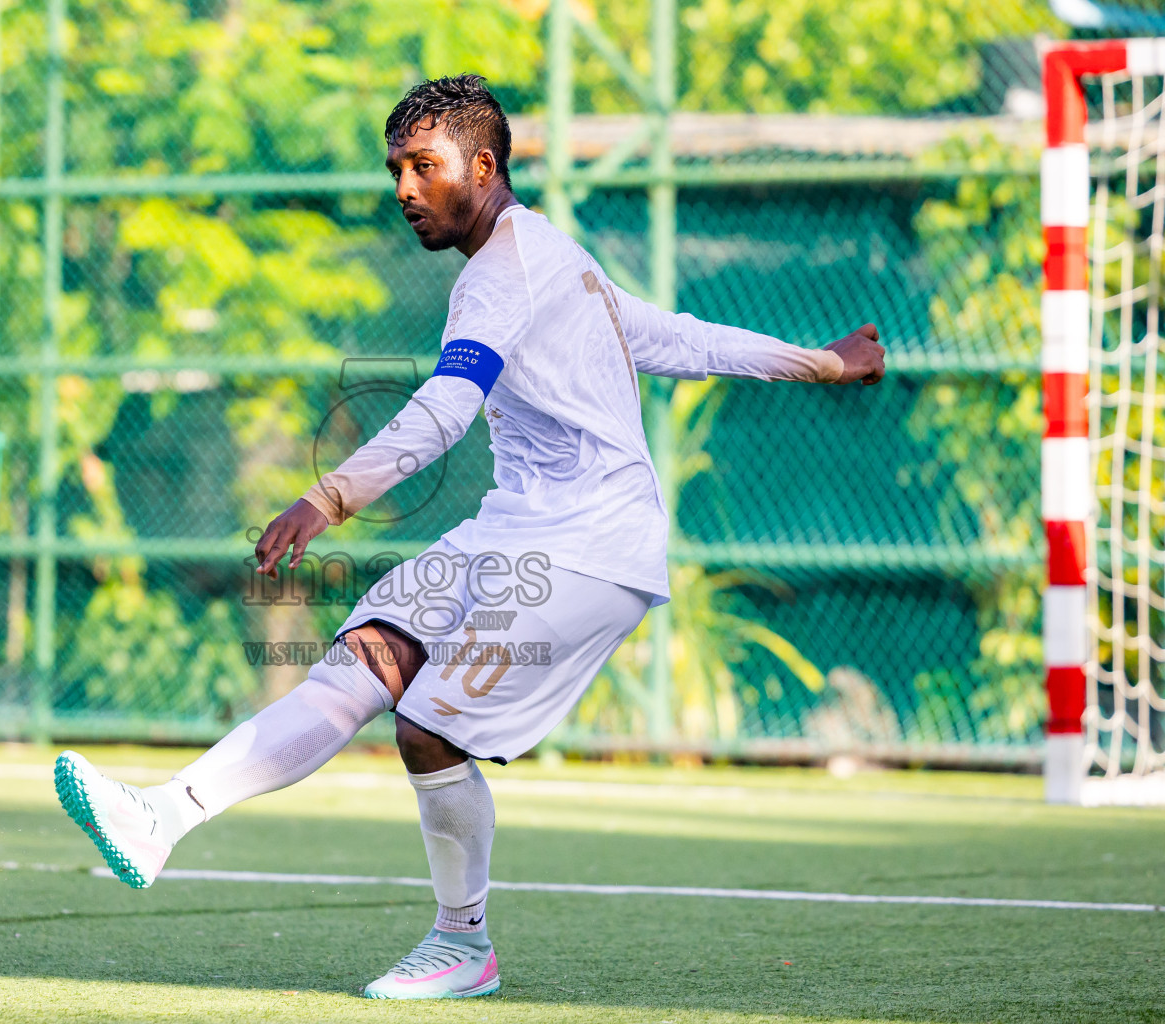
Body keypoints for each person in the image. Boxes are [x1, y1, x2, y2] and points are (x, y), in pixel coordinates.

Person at [53, 73, 886, 1001]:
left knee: (427, 724)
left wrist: (327, 499)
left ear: (482, 166)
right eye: (395, 169)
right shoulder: (548, 255)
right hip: (515, 533)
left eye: (424, 165)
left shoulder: (505, 276)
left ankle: (464, 945)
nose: (404, 188)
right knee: (360, 660)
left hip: (593, 552)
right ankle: (161, 817)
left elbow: (448, 410)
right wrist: (822, 362)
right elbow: (677, 339)